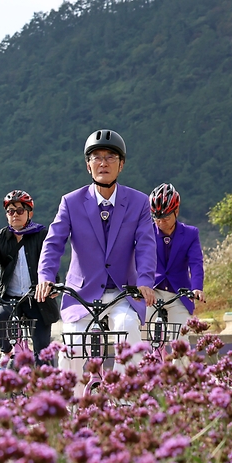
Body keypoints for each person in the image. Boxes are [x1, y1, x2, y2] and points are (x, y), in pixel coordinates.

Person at [35, 129, 157, 395]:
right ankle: (68, 406)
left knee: (127, 331)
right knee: (72, 344)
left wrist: (146, 281)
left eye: (111, 156)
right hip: (82, 293)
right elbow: (54, 243)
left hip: (123, 291)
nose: (103, 162)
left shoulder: (138, 202)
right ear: (88, 164)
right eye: (96, 157)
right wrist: (45, 276)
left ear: (121, 164)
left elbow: (147, 244)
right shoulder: (71, 202)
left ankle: (127, 401)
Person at [0, 190, 60, 376]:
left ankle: (48, 390)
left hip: (36, 298)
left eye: (20, 211)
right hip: (9, 297)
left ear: (30, 213)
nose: (15, 215)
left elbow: (51, 262)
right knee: (0, 322)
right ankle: (7, 353)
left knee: (42, 349)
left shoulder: (42, 234)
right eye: (10, 211)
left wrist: (53, 284)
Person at [148, 183, 205, 324]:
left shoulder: (190, 234)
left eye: (166, 219)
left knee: (181, 335)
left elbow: (196, 263)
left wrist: (196, 287)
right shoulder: (146, 232)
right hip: (152, 291)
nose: (161, 223)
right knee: (142, 329)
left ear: (176, 211)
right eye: (157, 218)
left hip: (179, 293)